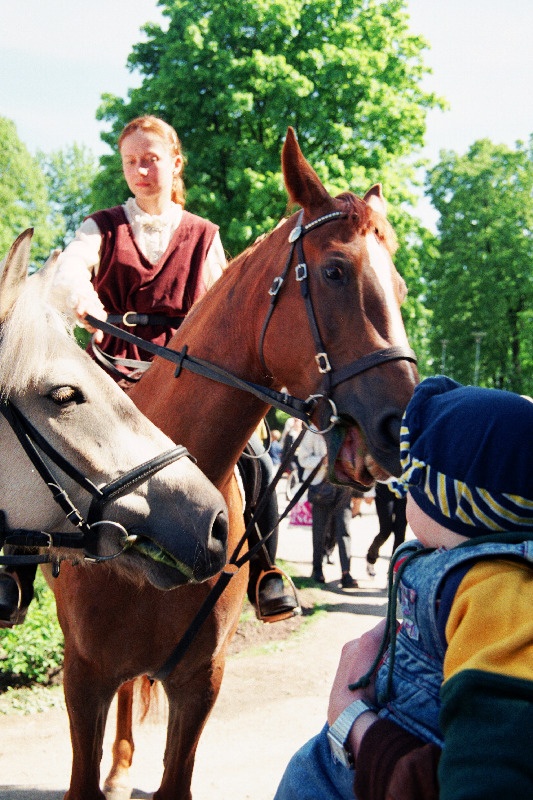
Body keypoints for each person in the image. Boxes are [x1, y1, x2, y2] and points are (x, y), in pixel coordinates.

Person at [0, 115, 297, 626]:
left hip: (185, 376)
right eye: (131, 161)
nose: (140, 169)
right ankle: (15, 576)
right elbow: (72, 269)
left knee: (255, 457)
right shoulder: (101, 226)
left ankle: (267, 573)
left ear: (175, 162)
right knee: (43, 434)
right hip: (108, 374)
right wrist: (84, 301)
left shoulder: (204, 235)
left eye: (151, 158)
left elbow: (221, 309)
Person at [274, 376, 533, 800]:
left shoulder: (500, 592)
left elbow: (490, 772)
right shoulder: (459, 566)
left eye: (413, 482)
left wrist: (354, 725)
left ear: (452, 504)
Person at [298, 427, 357, 589]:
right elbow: (302, 458)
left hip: (344, 487)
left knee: (344, 530)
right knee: (319, 531)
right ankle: (317, 569)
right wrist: (322, 461)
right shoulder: (315, 430)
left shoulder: (350, 427)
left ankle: (346, 573)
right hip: (322, 487)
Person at [365, 481, 407, 577]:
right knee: (385, 531)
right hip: (384, 485)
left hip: (403, 485)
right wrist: (368, 491)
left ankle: (393, 572)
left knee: (400, 532)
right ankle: (371, 557)